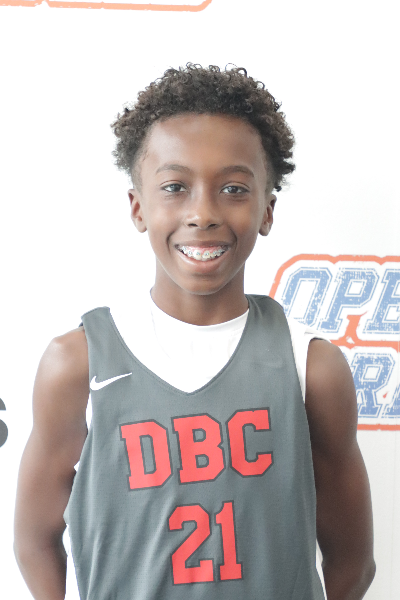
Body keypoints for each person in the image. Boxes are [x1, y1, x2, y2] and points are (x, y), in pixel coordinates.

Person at [14, 64, 375, 600]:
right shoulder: (79, 363)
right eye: (175, 187)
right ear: (138, 207)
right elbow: (34, 541)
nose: (202, 213)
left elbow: (353, 562)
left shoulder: (311, 367)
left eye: (233, 188)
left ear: (266, 210)